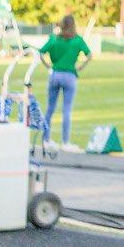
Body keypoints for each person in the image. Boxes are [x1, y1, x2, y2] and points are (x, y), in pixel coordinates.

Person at [38, 13, 91, 147]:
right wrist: (79, 67)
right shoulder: (77, 40)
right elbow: (89, 55)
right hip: (69, 75)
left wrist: (48, 65)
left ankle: (46, 139)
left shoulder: (54, 39)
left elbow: (40, 53)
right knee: (66, 110)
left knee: (50, 109)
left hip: (55, 74)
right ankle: (65, 141)